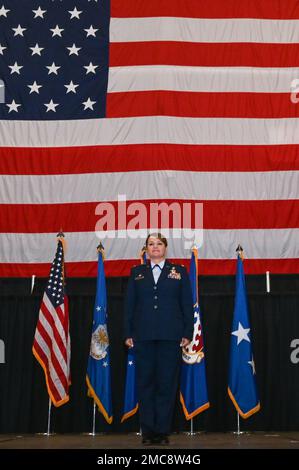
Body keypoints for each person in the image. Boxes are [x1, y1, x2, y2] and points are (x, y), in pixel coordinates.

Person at [124, 233, 194, 445]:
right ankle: (148, 431)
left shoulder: (179, 272)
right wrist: (127, 333)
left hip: (170, 336)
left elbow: (186, 305)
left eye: (159, 244)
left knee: (166, 385)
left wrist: (187, 333)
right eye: (151, 244)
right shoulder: (137, 273)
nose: (155, 247)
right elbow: (129, 306)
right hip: (143, 336)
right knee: (145, 384)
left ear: (165, 247)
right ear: (145, 249)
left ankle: (162, 431)